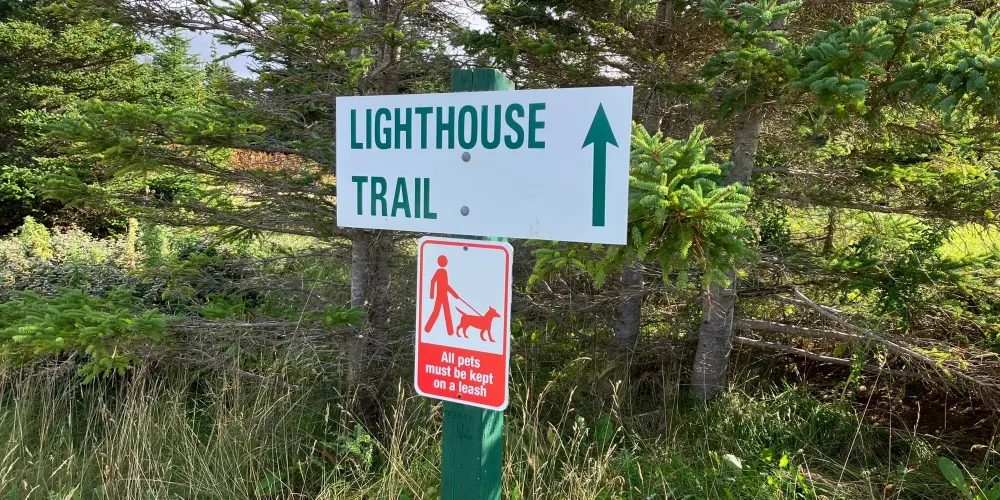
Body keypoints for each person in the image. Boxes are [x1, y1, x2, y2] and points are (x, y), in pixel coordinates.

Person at [425, 255, 459, 336]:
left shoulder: (444, 271)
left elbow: (445, 285)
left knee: (446, 312)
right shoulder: (440, 271)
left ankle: (450, 332)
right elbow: (433, 281)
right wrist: (431, 295)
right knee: (437, 312)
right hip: (440, 296)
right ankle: (427, 328)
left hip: (444, 295)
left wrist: (455, 295)